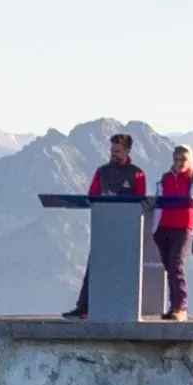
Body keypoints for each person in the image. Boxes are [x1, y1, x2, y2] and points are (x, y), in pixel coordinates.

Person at [64, 132, 146, 318]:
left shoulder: (137, 173)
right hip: (104, 228)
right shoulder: (102, 172)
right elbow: (92, 195)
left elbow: (140, 200)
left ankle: (124, 308)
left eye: (117, 151)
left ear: (126, 151)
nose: (113, 154)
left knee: (125, 269)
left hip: (127, 231)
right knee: (95, 267)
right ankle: (84, 307)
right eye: (112, 150)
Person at [154, 144, 193, 320]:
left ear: (190, 160)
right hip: (164, 226)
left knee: (175, 262)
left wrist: (174, 202)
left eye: (183, 159)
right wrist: (155, 230)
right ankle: (174, 306)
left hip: (184, 226)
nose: (179, 163)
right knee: (169, 266)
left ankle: (181, 307)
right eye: (176, 159)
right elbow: (158, 200)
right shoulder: (165, 178)